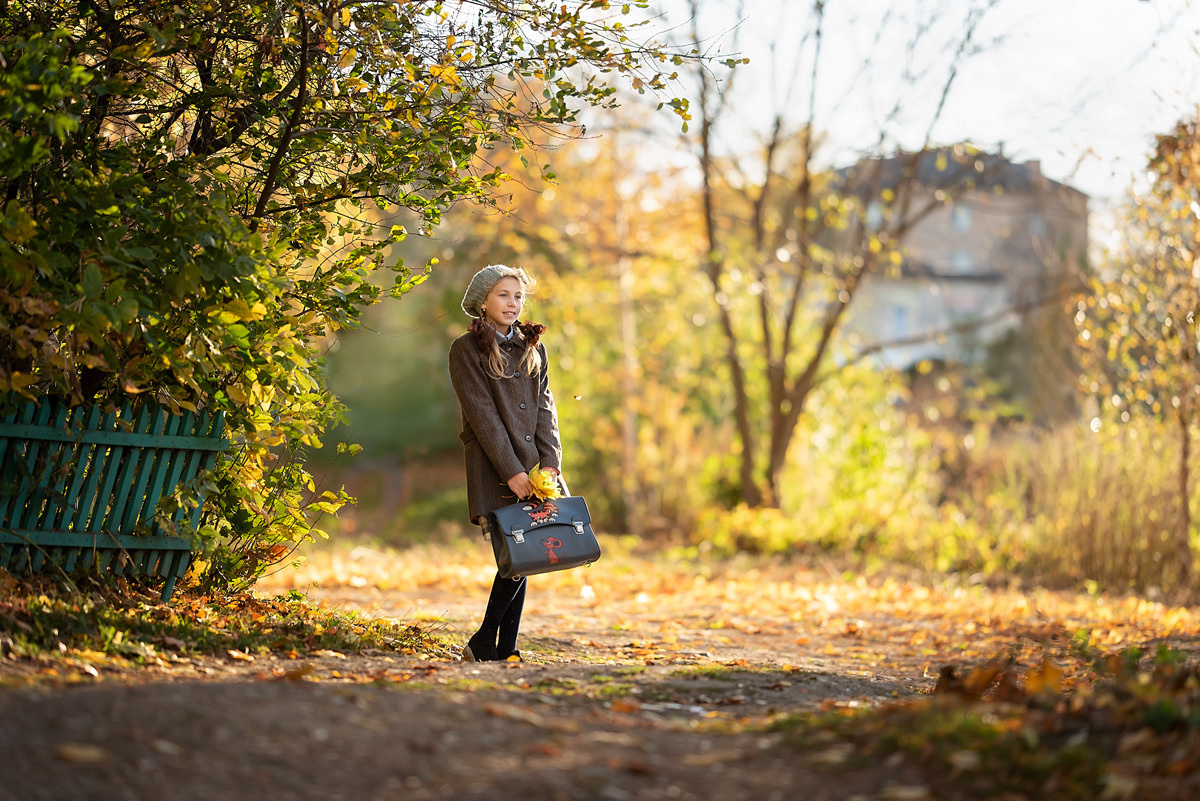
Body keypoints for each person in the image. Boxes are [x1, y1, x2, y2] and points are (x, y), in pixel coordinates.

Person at [448, 264, 563, 662]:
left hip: (535, 467)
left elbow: (546, 408)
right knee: (512, 554)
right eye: (502, 295)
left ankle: (497, 645)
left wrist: (551, 463)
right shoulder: (465, 350)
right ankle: (489, 642)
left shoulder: (534, 347)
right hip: (494, 465)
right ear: (482, 302)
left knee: (525, 554)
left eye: (517, 296)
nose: (512, 303)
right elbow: (482, 415)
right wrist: (512, 472)